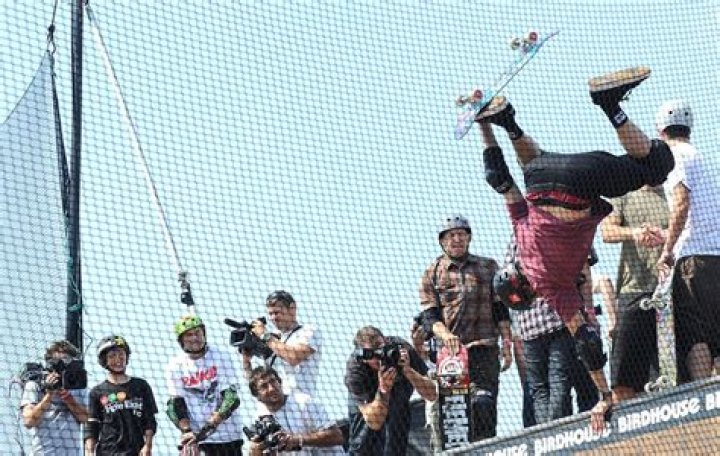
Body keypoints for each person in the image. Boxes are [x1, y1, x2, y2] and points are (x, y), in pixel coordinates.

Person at [476, 66, 674, 432]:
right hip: (541, 172)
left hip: (579, 183)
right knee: (530, 165)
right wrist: (485, 126)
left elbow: (586, 342)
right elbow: (499, 179)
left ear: (529, 293)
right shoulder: (520, 234)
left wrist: (604, 395)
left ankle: (609, 104)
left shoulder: (552, 289)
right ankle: (508, 120)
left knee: (659, 164)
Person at [418, 215, 513, 441]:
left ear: (469, 238)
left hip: (484, 348)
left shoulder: (488, 267)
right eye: (451, 235)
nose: (457, 239)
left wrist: (507, 343)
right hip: (451, 356)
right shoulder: (432, 273)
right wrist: (446, 335)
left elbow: (500, 309)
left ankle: (487, 449)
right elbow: (429, 317)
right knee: (456, 418)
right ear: (442, 241)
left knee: (484, 404)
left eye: (462, 234)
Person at [655, 99, 720, 382]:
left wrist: (667, 250)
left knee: (697, 334)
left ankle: (701, 397)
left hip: (694, 259)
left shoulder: (674, 155)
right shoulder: (701, 157)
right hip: (715, 256)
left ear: (660, 131)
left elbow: (681, 202)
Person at [601, 185, 667, 401]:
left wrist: (665, 235)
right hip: (633, 291)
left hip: (670, 292)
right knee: (623, 379)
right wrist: (635, 233)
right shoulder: (623, 193)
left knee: (670, 373)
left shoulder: (673, 190)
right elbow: (607, 231)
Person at [344, 326, 437, 455]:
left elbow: (432, 394)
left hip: (397, 434)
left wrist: (408, 370)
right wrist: (384, 390)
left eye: (381, 350)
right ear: (363, 357)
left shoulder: (400, 350)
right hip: (366, 442)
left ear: (386, 341)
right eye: (372, 354)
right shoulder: (356, 371)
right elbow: (374, 423)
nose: (379, 359)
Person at [165, 315, 244, 455]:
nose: (194, 338)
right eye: (189, 335)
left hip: (227, 437)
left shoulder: (221, 356)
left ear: (204, 333)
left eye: (198, 333)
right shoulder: (175, 366)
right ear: (181, 340)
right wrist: (187, 431)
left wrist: (209, 427)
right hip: (197, 440)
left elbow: (231, 398)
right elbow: (175, 405)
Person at [246, 366, 345, 455]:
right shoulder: (258, 422)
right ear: (257, 395)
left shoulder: (304, 402)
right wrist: (256, 451)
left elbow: (337, 436)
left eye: (273, 381)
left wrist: (299, 440)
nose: (271, 388)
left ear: (279, 382)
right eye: (264, 386)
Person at [84, 335, 157, 456]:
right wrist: (89, 452)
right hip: (107, 451)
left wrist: (148, 445)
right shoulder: (97, 392)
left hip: (136, 451)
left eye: (121, 354)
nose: (118, 359)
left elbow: (149, 420)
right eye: (112, 356)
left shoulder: (141, 386)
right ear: (104, 360)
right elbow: (92, 426)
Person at [243, 290, 322, 398]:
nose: (273, 318)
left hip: (300, 401)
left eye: (277, 312)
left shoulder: (308, 331)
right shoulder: (273, 339)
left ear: (292, 308)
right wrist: (246, 362)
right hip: (274, 403)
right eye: (270, 314)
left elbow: (294, 357)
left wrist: (264, 335)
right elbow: (256, 384)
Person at [20, 340, 88, 455]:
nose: (61, 367)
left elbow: (86, 419)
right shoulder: (35, 384)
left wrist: (68, 398)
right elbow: (29, 421)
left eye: (66, 361)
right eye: (57, 362)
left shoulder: (78, 386)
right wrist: (49, 394)